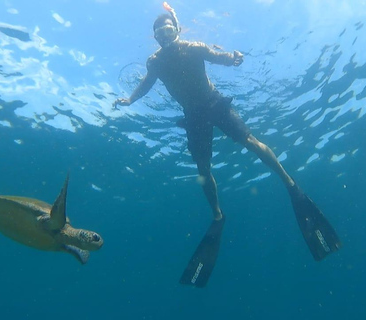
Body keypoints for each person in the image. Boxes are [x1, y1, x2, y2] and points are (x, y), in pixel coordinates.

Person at [114, 3, 341, 288]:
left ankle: (289, 182)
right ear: (156, 37)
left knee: (249, 141)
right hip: (193, 116)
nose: (165, 35)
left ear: (176, 30)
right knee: (202, 167)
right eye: (160, 33)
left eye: (168, 29)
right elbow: (147, 84)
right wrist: (131, 99)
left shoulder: (194, 47)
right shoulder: (155, 62)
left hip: (214, 103)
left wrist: (232, 57)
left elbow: (217, 56)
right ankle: (218, 214)